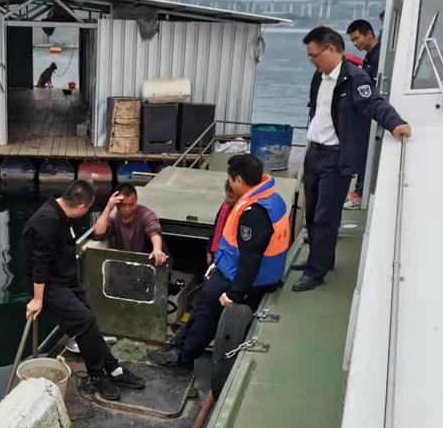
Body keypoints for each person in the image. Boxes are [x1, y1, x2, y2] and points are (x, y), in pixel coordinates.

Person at [293, 26, 411, 292]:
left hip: (336, 158)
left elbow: (375, 104)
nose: (312, 61)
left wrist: (396, 124)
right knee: (311, 210)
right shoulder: (319, 77)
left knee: (326, 214)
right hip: (315, 152)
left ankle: (316, 272)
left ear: (332, 49)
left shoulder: (355, 79)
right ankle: (321, 257)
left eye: (315, 55)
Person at [149, 154, 289, 369]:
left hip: (242, 279)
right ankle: (176, 346)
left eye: (231, 179)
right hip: (237, 270)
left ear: (239, 181)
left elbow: (251, 258)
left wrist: (234, 294)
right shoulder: (273, 199)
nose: (230, 183)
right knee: (201, 308)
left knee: (205, 316)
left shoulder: (253, 213)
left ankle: (183, 357)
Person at [22, 179, 144, 400]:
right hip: (49, 286)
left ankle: (113, 368)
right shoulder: (47, 221)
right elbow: (39, 265)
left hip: (67, 279)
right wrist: (37, 299)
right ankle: (97, 375)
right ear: (81, 207)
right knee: (84, 320)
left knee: (89, 322)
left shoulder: (61, 213)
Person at [344, 19, 382, 209]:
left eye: (357, 38)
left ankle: (359, 193)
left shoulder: (378, 58)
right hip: (364, 114)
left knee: (364, 155)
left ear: (369, 34)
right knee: (361, 155)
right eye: (352, 40)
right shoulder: (370, 57)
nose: (355, 43)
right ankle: (359, 190)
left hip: (370, 114)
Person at [90, 183, 168, 265]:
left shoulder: (146, 214)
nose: (127, 209)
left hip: (147, 264)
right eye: (123, 205)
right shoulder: (113, 217)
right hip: (124, 265)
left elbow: (154, 232)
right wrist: (108, 208)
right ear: (117, 203)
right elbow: (98, 233)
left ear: (136, 201)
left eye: (131, 204)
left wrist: (157, 249)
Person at [207, 180, 239, 266]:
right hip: (216, 253)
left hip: (229, 259)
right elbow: (217, 227)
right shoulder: (225, 205)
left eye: (231, 197)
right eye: (226, 195)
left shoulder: (243, 214)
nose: (227, 200)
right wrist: (210, 249)